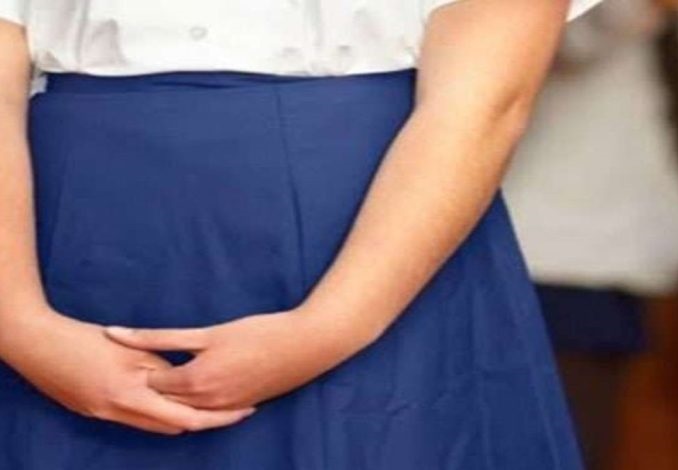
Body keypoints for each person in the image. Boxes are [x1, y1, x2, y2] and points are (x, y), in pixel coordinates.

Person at [0, 0, 603, 468]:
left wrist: (332, 326)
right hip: (60, 251)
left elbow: (484, 103)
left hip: (380, 250)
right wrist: (22, 327)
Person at [501, 0, 678, 467]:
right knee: (559, 435)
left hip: (617, 256)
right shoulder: (597, 17)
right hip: (556, 252)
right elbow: (573, 41)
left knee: (590, 429)